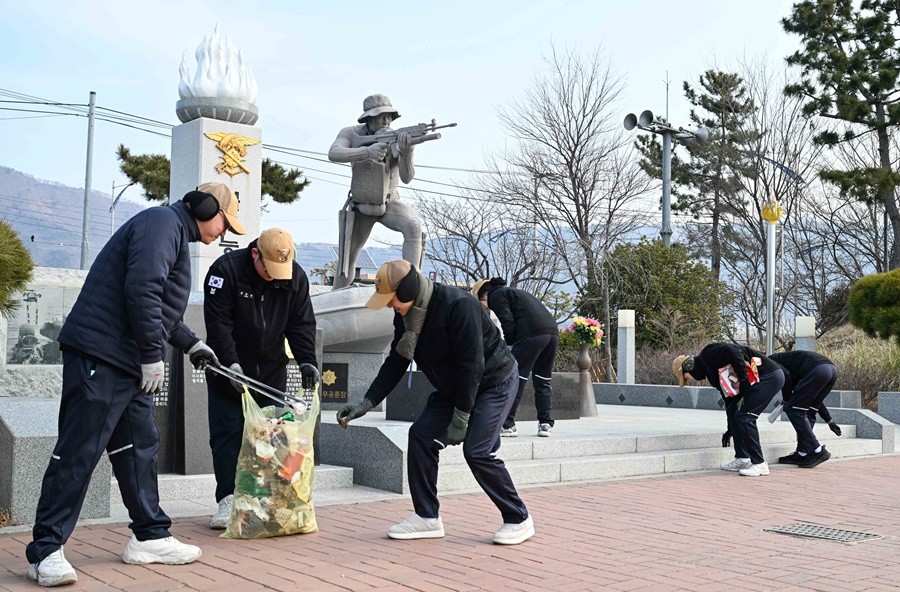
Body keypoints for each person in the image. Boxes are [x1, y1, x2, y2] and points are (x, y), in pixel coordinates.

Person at [25, 182, 243, 587]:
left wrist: (192, 343)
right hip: (102, 357)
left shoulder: (172, 230)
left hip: (124, 361)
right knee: (79, 450)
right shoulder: (162, 223)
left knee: (139, 448)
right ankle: (44, 550)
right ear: (206, 206)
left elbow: (159, 305)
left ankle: (150, 536)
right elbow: (141, 289)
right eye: (224, 221)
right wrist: (150, 356)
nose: (225, 233)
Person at [336, 260, 535, 545]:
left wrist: (461, 417)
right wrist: (367, 401)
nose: (390, 305)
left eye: (391, 298)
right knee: (420, 436)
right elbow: (397, 359)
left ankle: (519, 518)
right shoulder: (405, 315)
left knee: (477, 451)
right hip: (454, 386)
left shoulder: (458, 306)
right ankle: (427, 517)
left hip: (494, 382)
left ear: (408, 290)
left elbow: (472, 366)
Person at [202, 227, 319, 529]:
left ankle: (262, 501)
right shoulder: (225, 272)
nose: (275, 276)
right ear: (255, 254)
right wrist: (230, 364)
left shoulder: (294, 277)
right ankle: (227, 499)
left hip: (270, 372)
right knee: (228, 436)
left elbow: (301, 324)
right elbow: (218, 326)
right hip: (229, 371)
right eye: (269, 269)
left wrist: (307, 361)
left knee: (268, 439)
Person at [327, 94, 423, 288]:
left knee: (413, 225)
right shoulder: (351, 133)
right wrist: (366, 152)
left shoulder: (397, 136)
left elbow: (407, 177)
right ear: (368, 118)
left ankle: (414, 287)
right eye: (380, 116)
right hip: (361, 204)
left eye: (389, 116)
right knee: (348, 257)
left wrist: (407, 153)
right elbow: (334, 152)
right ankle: (336, 296)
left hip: (389, 203)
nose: (386, 121)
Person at [673, 343, 785, 477]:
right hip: (759, 380)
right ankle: (742, 459)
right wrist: (730, 428)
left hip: (769, 375)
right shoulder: (711, 375)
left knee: (745, 417)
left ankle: (759, 464)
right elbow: (730, 401)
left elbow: (733, 352)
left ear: (689, 366)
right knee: (735, 414)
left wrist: (743, 380)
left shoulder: (708, 354)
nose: (690, 380)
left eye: (686, 377)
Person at [471, 278, 558, 437]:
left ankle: (508, 425)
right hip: (551, 334)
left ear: (484, 295)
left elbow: (507, 321)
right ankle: (545, 423)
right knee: (543, 379)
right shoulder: (513, 292)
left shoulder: (495, 295)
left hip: (531, 335)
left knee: (514, 378)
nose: (485, 307)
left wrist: (510, 345)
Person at [769, 350, 840, 469]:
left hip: (816, 369)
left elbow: (785, 375)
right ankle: (802, 453)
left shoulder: (769, 362)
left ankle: (817, 450)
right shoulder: (792, 366)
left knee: (793, 409)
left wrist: (786, 400)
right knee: (809, 412)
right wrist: (829, 421)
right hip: (830, 370)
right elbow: (816, 401)